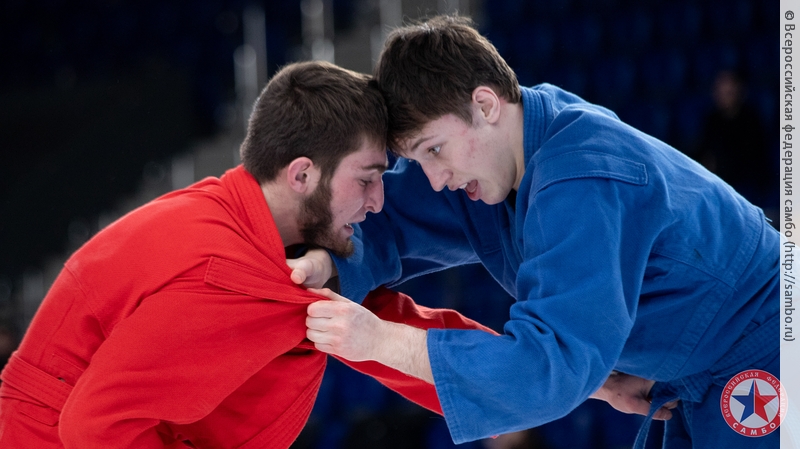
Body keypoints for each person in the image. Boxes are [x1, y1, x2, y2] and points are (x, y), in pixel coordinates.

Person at [293, 15, 779, 448]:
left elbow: (547, 367)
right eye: (420, 160)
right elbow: (391, 220)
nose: (435, 178)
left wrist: (382, 341)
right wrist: (327, 262)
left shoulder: (582, 177)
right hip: (690, 373)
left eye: (434, 150)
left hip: (767, 346)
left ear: (485, 104)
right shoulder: (501, 147)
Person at [0, 60, 495, 448]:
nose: (378, 202)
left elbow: (372, 324)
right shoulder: (226, 275)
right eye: (366, 179)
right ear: (302, 175)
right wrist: (518, 380)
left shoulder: (250, 226)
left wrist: (520, 376)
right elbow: (96, 426)